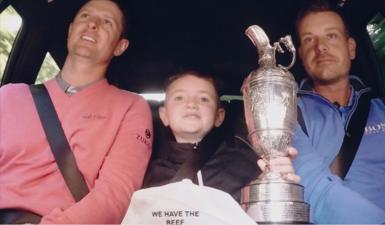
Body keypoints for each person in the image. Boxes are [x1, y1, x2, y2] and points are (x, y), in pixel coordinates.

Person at [0, 0, 153, 223]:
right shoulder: (9, 95)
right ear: (71, 30)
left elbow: (115, 196)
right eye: (85, 16)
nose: (92, 24)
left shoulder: (131, 107)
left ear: (120, 46)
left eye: (107, 22)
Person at [291, 0, 385, 223]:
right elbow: (308, 186)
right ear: (301, 55)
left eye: (331, 36)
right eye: (309, 39)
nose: (320, 47)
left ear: (351, 48)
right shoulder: (288, 115)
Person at [143, 70, 300, 202]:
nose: (191, 104)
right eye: (179, 98)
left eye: (204, 99)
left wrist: (281, 188)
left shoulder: (248, 165)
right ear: (164, 115)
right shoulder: (148, 175)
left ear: (219, 116)